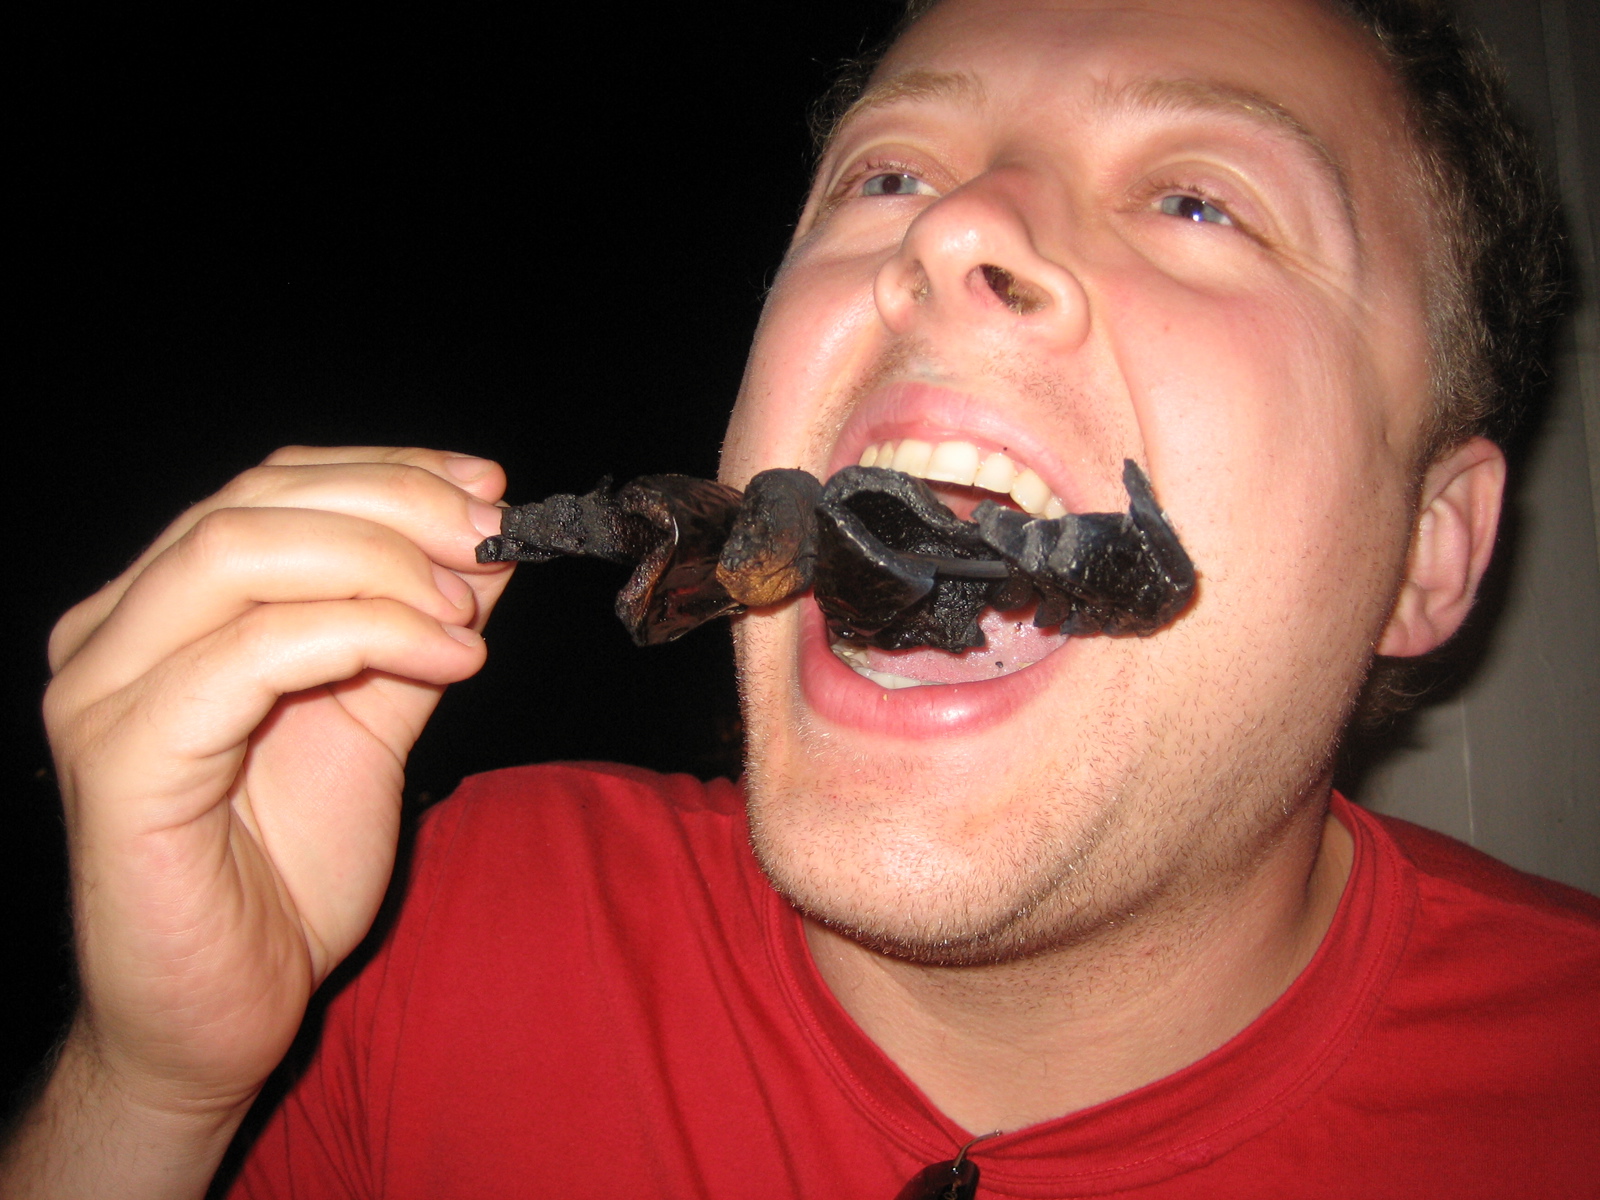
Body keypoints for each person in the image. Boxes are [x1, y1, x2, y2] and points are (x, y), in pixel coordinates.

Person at [4, 0, 1596, 1195]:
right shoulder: (449, 933)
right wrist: (152, 1089)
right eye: (889, 174)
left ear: (1428, 549)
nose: (956, 227)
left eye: (1200, 201)